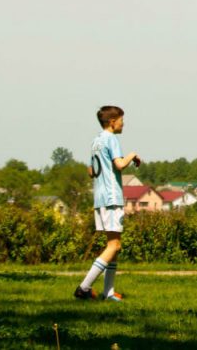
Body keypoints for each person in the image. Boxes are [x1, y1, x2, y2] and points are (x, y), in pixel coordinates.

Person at [74, 105, 141, 302]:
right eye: (121, 119)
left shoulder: (96, 141)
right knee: (114, 245)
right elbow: (119, 164)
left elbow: (91, 171)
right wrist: (132, 155)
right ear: (112, 122)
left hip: (100, 197)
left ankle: (108, 292)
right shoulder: (112, 139)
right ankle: (84, 288)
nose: (123, 122)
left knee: (113, 246)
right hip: (112, 197)